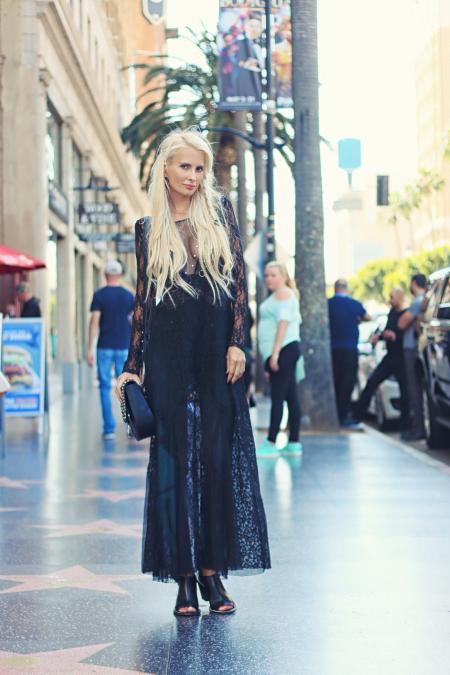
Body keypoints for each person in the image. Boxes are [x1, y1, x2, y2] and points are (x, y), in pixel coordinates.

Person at [116, 129, 270, 617]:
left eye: (200, 169)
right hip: (167, 359)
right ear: (165, 168)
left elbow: (239, 285)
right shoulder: (148, 230)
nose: (193, 176)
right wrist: (131, 368)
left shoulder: (219, 216)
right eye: (185, 167)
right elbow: (143, 303)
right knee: (173, 466)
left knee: (216, 463)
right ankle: (184, 576)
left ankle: (212, 571)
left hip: (214, 358)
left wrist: (236, 341)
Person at [256, 261, 302, 458]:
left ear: (283, 276)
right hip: (283, 351)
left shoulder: (283, 293)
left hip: (283, 350)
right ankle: (294, 443)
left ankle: (271, 441)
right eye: (266, 275)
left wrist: (275, 355)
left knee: (277, 397)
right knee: (291, 397)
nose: (269, 279)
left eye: (273, 275)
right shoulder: (278, 295)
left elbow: (283, 324)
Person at [87, 260, 134, 440]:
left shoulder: (99, 295)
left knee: (105, 387)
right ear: (120, 275)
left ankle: (109, 429)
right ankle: (131, 425)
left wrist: (89, 348)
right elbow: (134, 322)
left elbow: (94, 322)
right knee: (127, 388)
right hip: (124, 347)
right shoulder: (128, 296)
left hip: (104, 347)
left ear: (105, 275)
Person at [354, 288, 409, 429]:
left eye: (392, 297)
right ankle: (357, 416)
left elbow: (408, 336)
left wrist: (395, 336)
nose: (390, 300)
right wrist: (380, 336)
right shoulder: (392, 312)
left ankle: (405, 425)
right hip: (390, 357)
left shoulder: (406, 314)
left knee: (405, 391)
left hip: (401, 357)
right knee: (372, 382)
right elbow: (387, 331)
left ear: (399, 297)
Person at [328, 279, 371, 428]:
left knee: (335, 382)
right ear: (346, 288)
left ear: (335, 288)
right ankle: (343, 415)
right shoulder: (354, 304)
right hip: (350, 349)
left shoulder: (328, 304)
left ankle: (334, 414)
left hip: (333, 349)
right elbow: (367, 317)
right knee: (347, 384)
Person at [397, 273, 427, 441]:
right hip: (419, 348)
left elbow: (402, 323)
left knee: (415, 390)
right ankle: (419, 427)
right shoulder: (424, 301)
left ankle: (419, 428)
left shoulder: (417, 302)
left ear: (413, 283)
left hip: (412, 349)